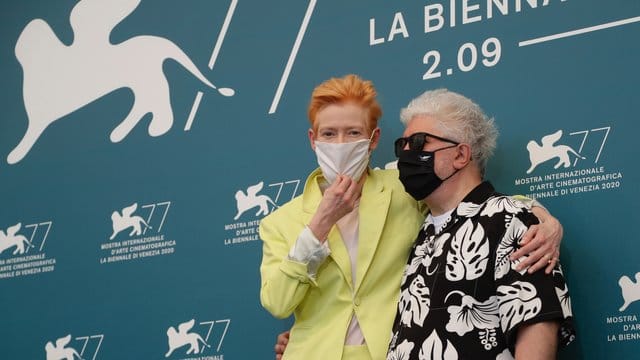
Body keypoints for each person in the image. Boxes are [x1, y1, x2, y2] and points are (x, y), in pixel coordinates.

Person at [260, 75, 562, 360]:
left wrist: (540, 216)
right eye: (329, 133)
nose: (340, 143)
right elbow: (277, 302)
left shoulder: (402, 189)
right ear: (313, 139)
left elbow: (467, 201)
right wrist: (320, 224)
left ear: (373, 139)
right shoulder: (279, 222)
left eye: (353, 132)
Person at [386, 89, 575, 359]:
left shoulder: (510, 220)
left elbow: (536, 324)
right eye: (401, 145)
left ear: (461, 155)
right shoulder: (425, 232)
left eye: (418, 143)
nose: (406, 154)